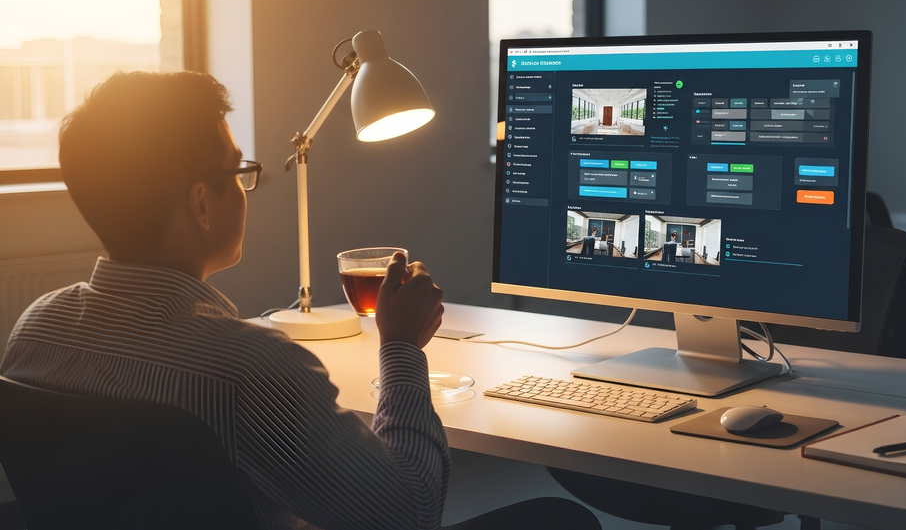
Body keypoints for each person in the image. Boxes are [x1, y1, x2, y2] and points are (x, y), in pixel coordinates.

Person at [0, 72, 600, 530]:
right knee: (561, 519)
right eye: (239, 171)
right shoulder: (248, 368)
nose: (246, 188)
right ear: (202, 204)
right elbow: (410, 511)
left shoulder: (35, 330)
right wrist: (400, 349)